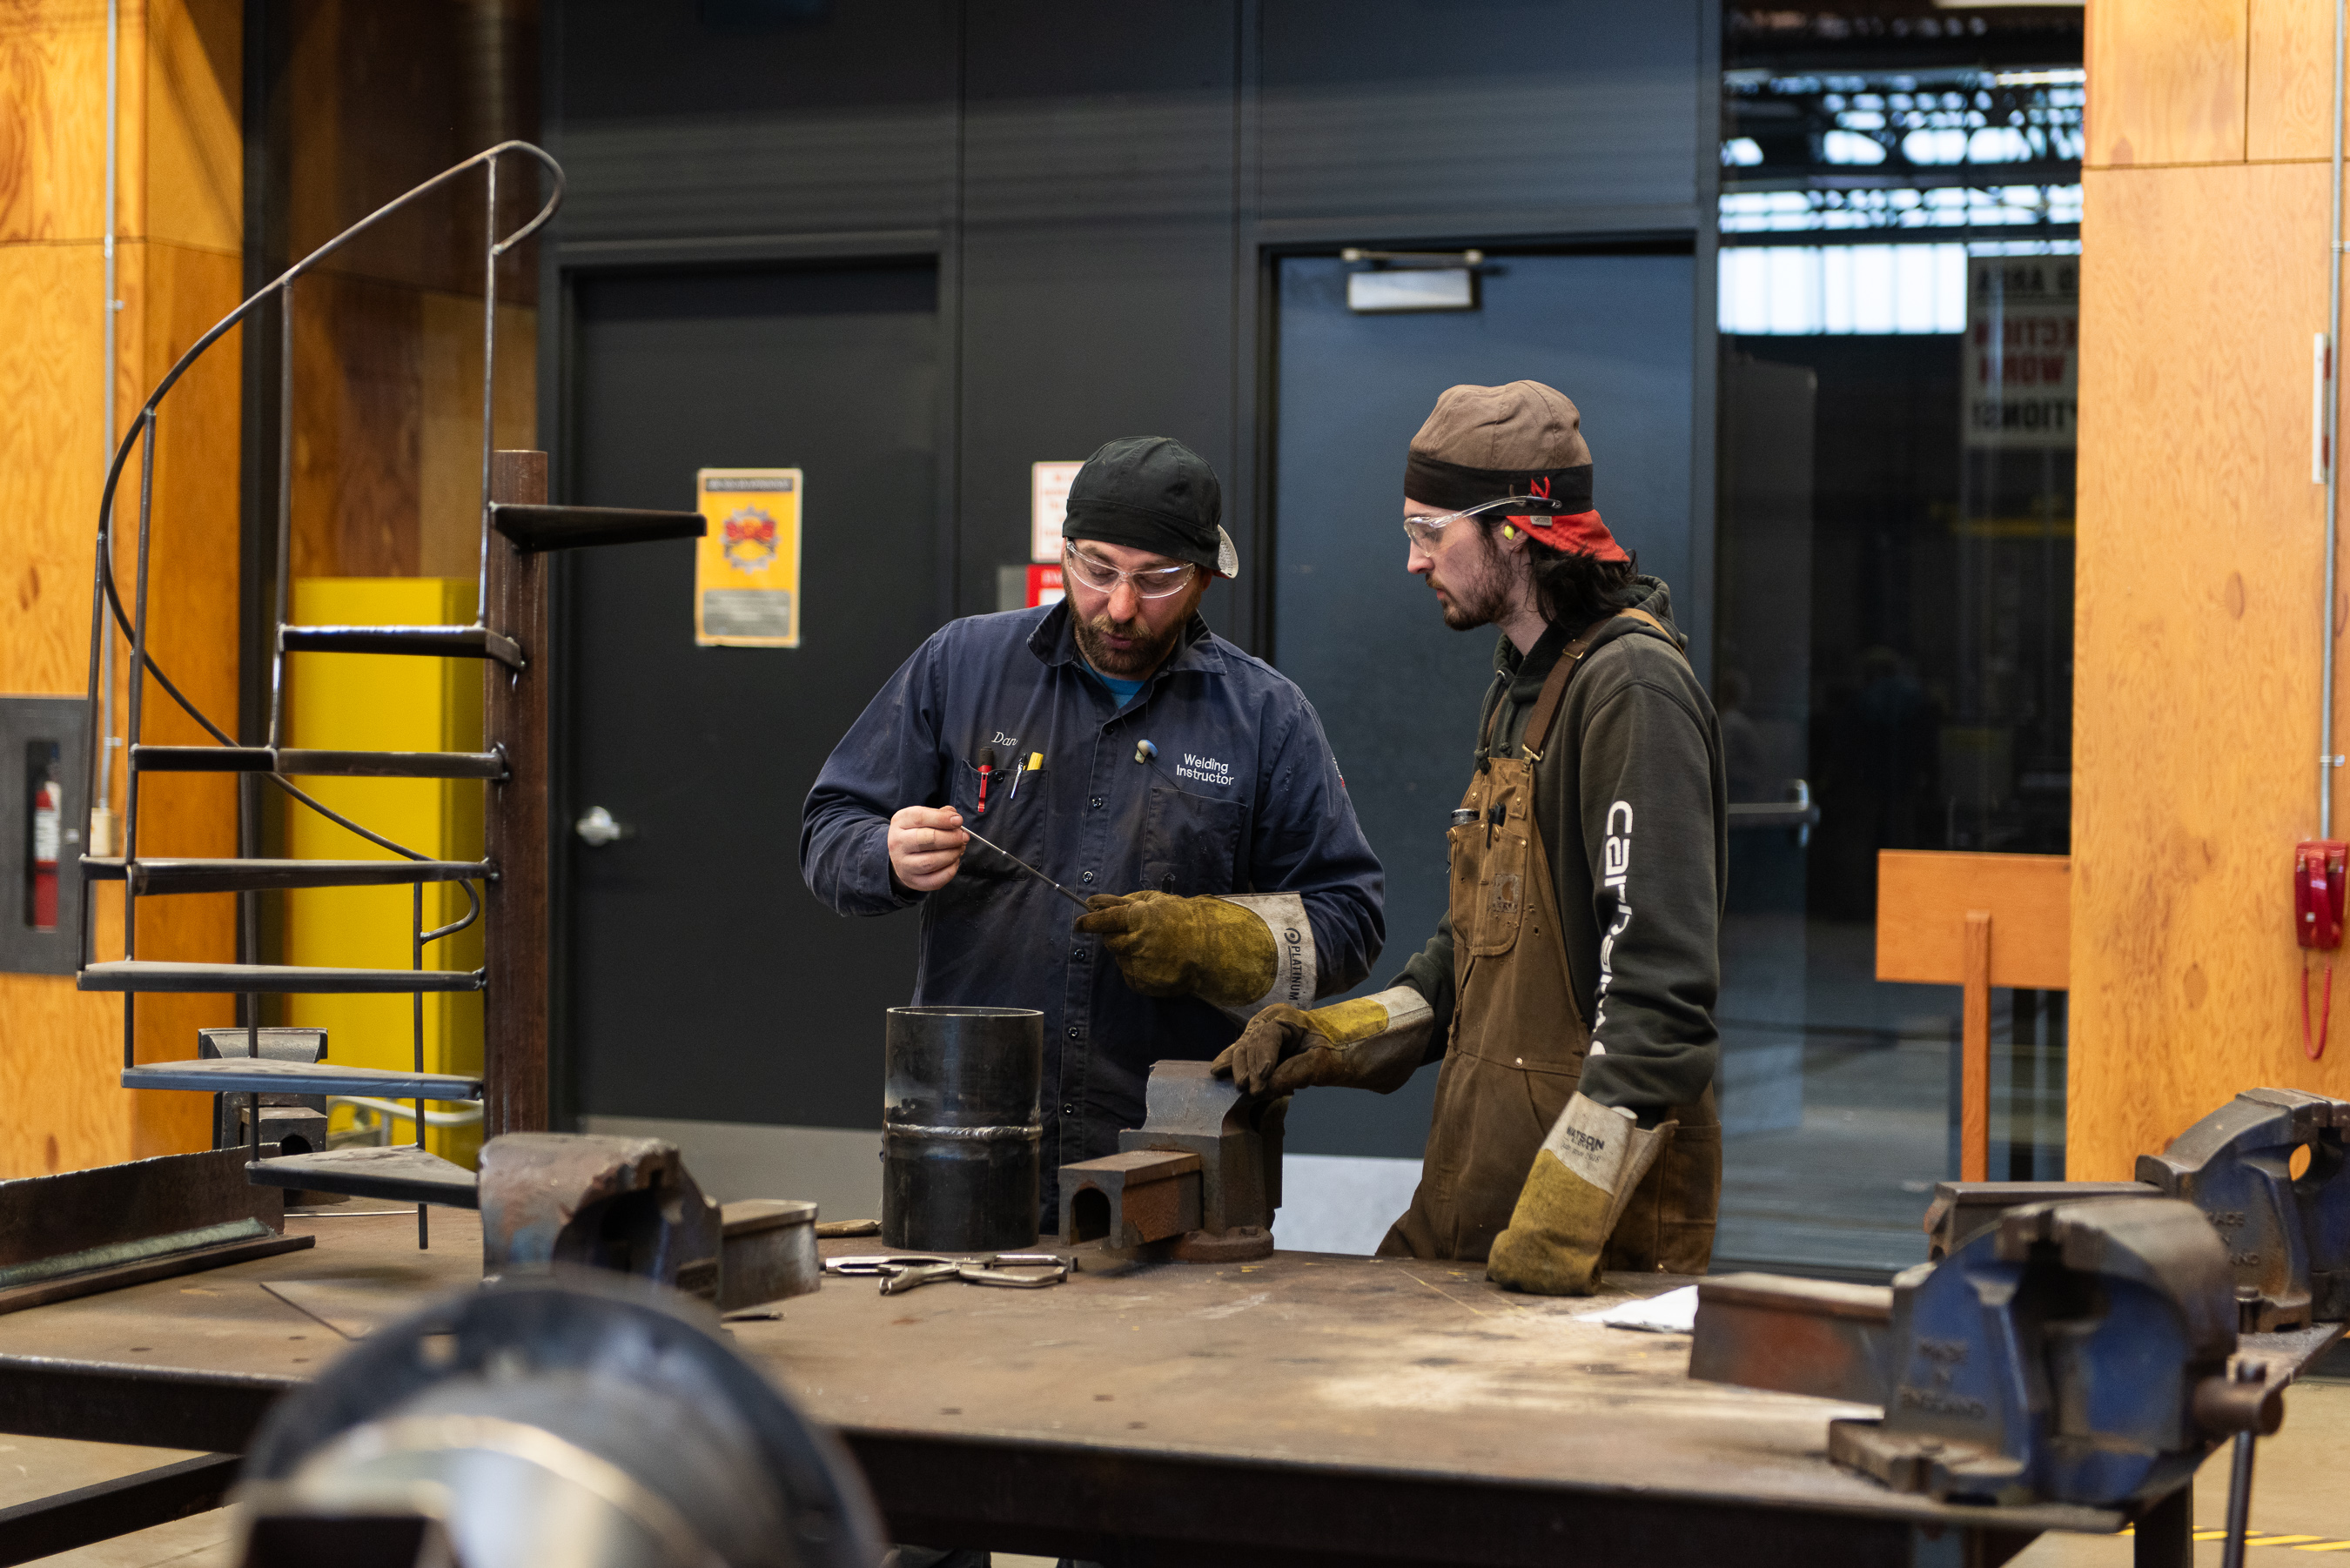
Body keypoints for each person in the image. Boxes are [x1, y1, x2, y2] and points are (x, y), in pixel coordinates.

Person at [1212, 381, 1727, 1294]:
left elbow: (1660, 994)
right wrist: (1327, 1036)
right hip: (1473, 1187)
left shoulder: (1632, 690)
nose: (1412, 561)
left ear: (1517, 529)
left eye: (1427, 531)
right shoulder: (1520, 688)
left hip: (1589, 1233)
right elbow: (1474, 954)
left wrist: (1566, 1206)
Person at [801, 436, 1384, 1222]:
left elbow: (1350, 918)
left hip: (1171, 1155)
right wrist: (886, 854)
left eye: (1157, 581)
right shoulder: (961, 666)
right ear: (1065, 552)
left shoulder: (1266, 718)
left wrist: (1219, 940)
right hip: (970, 1140)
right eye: (1097, 569)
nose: (1119, 606)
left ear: (1205, 577)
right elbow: (830, 830)